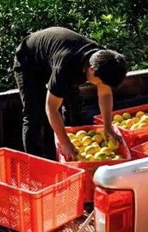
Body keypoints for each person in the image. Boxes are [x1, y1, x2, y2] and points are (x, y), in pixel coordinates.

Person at [12, 27, 128, 161]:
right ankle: (34, 162)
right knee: (34, 115)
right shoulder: (65, 66)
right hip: (29, 60)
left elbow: (105, 94)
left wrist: (108, 127)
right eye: (100, 82)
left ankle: (57, 151)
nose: (101, 86)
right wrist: (65, 142)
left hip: (57, 59)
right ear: (91, 70)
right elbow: (51, 108)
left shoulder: (104, 60)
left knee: (74, 105)